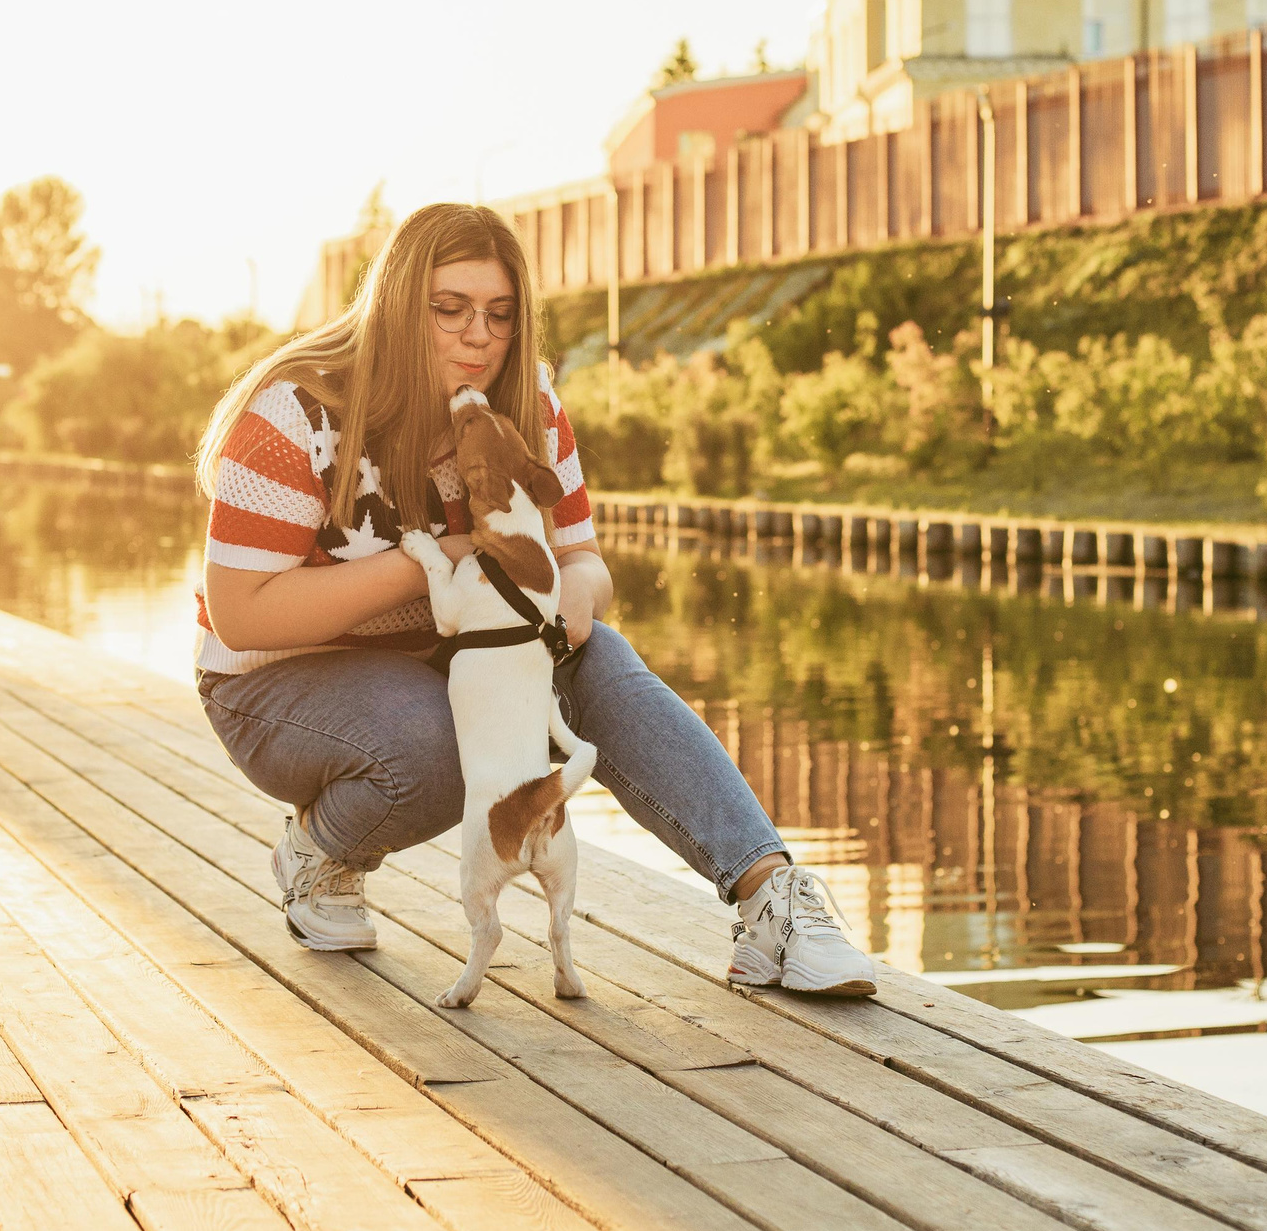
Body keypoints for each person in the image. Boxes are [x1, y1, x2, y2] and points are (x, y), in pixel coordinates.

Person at [194, 203, 876, 995]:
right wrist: (436, 559)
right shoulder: (296, 410)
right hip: (274, 681)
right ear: (395, 306)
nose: (477, 335)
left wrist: (579, 592)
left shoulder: (530, 405)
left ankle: (771, 899)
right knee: (434, 739)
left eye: (499, 315)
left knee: (600, 658)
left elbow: (584, 560)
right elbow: (242, 610)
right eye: (448, 310)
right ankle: (321, 848)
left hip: (446, 654)